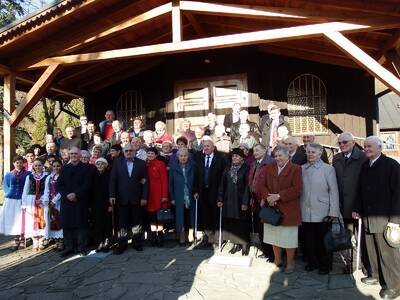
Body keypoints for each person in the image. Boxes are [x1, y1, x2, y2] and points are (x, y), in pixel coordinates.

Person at [352, 136, 400, 299]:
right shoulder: (365, 165)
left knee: (388, 253)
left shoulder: (391, 165)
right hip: (368, 216)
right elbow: (360, 189)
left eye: (370, 146)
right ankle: (376, 275)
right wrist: (357, 208)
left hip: (385, 218)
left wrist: (395, 220)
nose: (366, 149)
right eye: (365, 146)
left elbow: (398, 195)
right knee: (371, 250)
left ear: (380, 147)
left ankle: (394, 285)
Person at [260, 145, 303, 273]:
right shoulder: (269, 167)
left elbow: (297, 189)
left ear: (287, 155)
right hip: (272, 208)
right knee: (274, 237)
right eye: (276, 156)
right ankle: (277, 259)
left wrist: (278, 196)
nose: (277, 158)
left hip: (288, 208)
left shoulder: (296, 169)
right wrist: (268, 198)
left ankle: (290, 262)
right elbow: (262, 185)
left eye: (280, 155)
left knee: (289, 238)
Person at [300, 143, 340, 275]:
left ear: (319, 154)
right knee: (309, 240)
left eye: (313, 152)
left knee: (323, 241)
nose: (310, 154)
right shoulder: (302, 168)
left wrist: (333, 211)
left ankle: (325, 265)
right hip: (305, 210)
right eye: (308, 152)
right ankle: (313, 262)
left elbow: (334, 191)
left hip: (323, 211)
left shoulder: (328, 169)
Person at [332, 132, 368, 274]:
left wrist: (359, 206)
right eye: (339, 143)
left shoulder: (363, 158)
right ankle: (351, 264)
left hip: (359, 206)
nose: (342, 145)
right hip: (343, 206)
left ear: (353, 142)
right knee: (347, 238)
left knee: (363, 238)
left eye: (345, 142)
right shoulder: (336, 158)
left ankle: (366, 266)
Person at [109, 144, 149, 254]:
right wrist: (112, 195)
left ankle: (137, 243)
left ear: (135, 151)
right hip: (122, 198)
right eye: (126, 150)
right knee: (122, 223)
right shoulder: (117, 163)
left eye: (131, 150)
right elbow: (113, 180)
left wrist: (144, 197)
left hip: (137, 198)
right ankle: (122, 244)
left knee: (137, 222)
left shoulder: (141, 163)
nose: (128, 152)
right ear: (123, 152)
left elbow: (145, 182)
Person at [57, 147, 92, 257]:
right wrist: (67, 195)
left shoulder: (87, 168)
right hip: (67, 201)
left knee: (81, 225)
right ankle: (69, 247)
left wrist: (76, 194)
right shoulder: (64, 168)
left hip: (80, 200)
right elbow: (59, 185)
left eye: (75, 153)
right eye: (71, 154)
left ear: (80, 155)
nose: (73, 155)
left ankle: (81, 247)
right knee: (67, 224)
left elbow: (87, 185)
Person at [194, 138, 228, 248]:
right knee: (205, 216)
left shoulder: (221, 159)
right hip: (203, 192)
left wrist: (222, 195)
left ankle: (217, 238)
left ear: (213, 147)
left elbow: (224, 177)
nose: (206, 148)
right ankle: (208, 237)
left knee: (216, 215)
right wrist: (195, 191)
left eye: (208, 146)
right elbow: (196, 176)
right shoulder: (199, 159)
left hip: (216, 192)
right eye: (204, 146)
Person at [218, 148, 251, 256]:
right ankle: (236, 243)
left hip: (241, 201)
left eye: (237, 156)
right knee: (232, 223)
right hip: (229, 200)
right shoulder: (228, 168)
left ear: (242, 157)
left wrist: (245, 202)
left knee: (242, 223)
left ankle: (245, 243)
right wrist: (220, 199)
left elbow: (248, 187)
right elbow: (222, 184)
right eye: (233, 156)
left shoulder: (246, 168)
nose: (234, 158)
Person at [248, 143, 275, 260]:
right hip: (256, 200)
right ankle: (266, 251)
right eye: (254, 151)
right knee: (260, 228)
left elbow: (272, 183)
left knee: (267, 228)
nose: (255, 153)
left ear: (264, 150)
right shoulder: (254, 163)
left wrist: (265, 198)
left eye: (257, 150)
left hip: (266, 201)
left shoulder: (270, 162)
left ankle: (273, 254)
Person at [0, 156, 30, 250]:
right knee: (13, 220)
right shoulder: (8, 174)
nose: (19, 164)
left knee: (22, 219)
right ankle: (16, 239)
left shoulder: (28, 174)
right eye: (17, 162)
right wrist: (9, 194)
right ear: (14, 163)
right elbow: (5, 186)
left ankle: (22, 239)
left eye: (21, 162)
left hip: (22, 200)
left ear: (23, 163)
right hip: (11, 200)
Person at [169, 147, 196, 245]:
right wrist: (172, 198)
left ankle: (190, 237)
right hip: (179, 196)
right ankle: (181, 238)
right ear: (178, 157)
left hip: (190, 195)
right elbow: (170, 184)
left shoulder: (193, 166)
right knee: (181, 218)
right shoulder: (173, 167)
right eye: (181, 156)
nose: (183, 158)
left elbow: (196, 181)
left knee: (190, 217)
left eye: (185, 156)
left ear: (188, 156)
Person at [21, 158, 48, 251]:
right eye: (35, 165)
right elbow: (25, 190)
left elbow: (47, 189)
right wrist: (24, 204)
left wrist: (43, 199)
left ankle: (41, 240)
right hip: (31, 200)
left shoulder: (46, 176)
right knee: (31, 220)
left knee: (42, 219)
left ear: (43, 166)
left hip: (42, 200)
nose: (37, 167)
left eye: (39, 165)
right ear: (33, 166)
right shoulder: (30, 177)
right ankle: (35, 241)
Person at [145, 147, 169, 247]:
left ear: (156, 155)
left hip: (159, 193)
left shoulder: (160, 164)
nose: (150, 155)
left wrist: (164, 195)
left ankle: (160, 236)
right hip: (149, 193)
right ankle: (153, 236)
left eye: (152, 154)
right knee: (152, 216)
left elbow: (164, 180)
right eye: (149, 153)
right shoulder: (145, 164)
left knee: (159, 216)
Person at [91, 158, 112, 252]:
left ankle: (107, 243)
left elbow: (111, 191)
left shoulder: (109, 175)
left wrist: (110, 205)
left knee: (106, 224)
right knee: (97, 224)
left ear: (106, 165)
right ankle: (100, 243)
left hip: (106, 204)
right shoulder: (93, 176)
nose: (100, 166)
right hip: (95, 204)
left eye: (102, 164)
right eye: (98, 164)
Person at [43, 158, 64, 251]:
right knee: (52, 219)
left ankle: (61, 240)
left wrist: (54, 200)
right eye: (54, 166)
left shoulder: (63, 177)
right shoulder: (49, 177)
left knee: (59, 219)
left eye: (58, 166)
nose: (56, 168)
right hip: (50, 202)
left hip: (59, 201)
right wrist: (47, 200)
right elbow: (46, 190)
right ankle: (55, 239)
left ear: (61, 166)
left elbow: (62, 190)